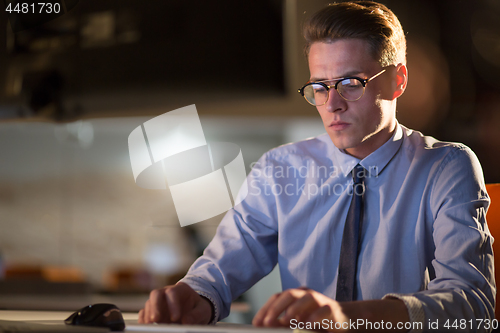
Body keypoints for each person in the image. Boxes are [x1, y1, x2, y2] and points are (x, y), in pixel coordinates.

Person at [139, 1, 495, 331]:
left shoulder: (446, 167)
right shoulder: (278, 169)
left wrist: (347, 317)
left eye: (350, 84)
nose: (332, 105)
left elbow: (473, 303)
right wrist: (194, 296)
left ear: (397, 80)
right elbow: (222, 267)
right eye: (320, 87)